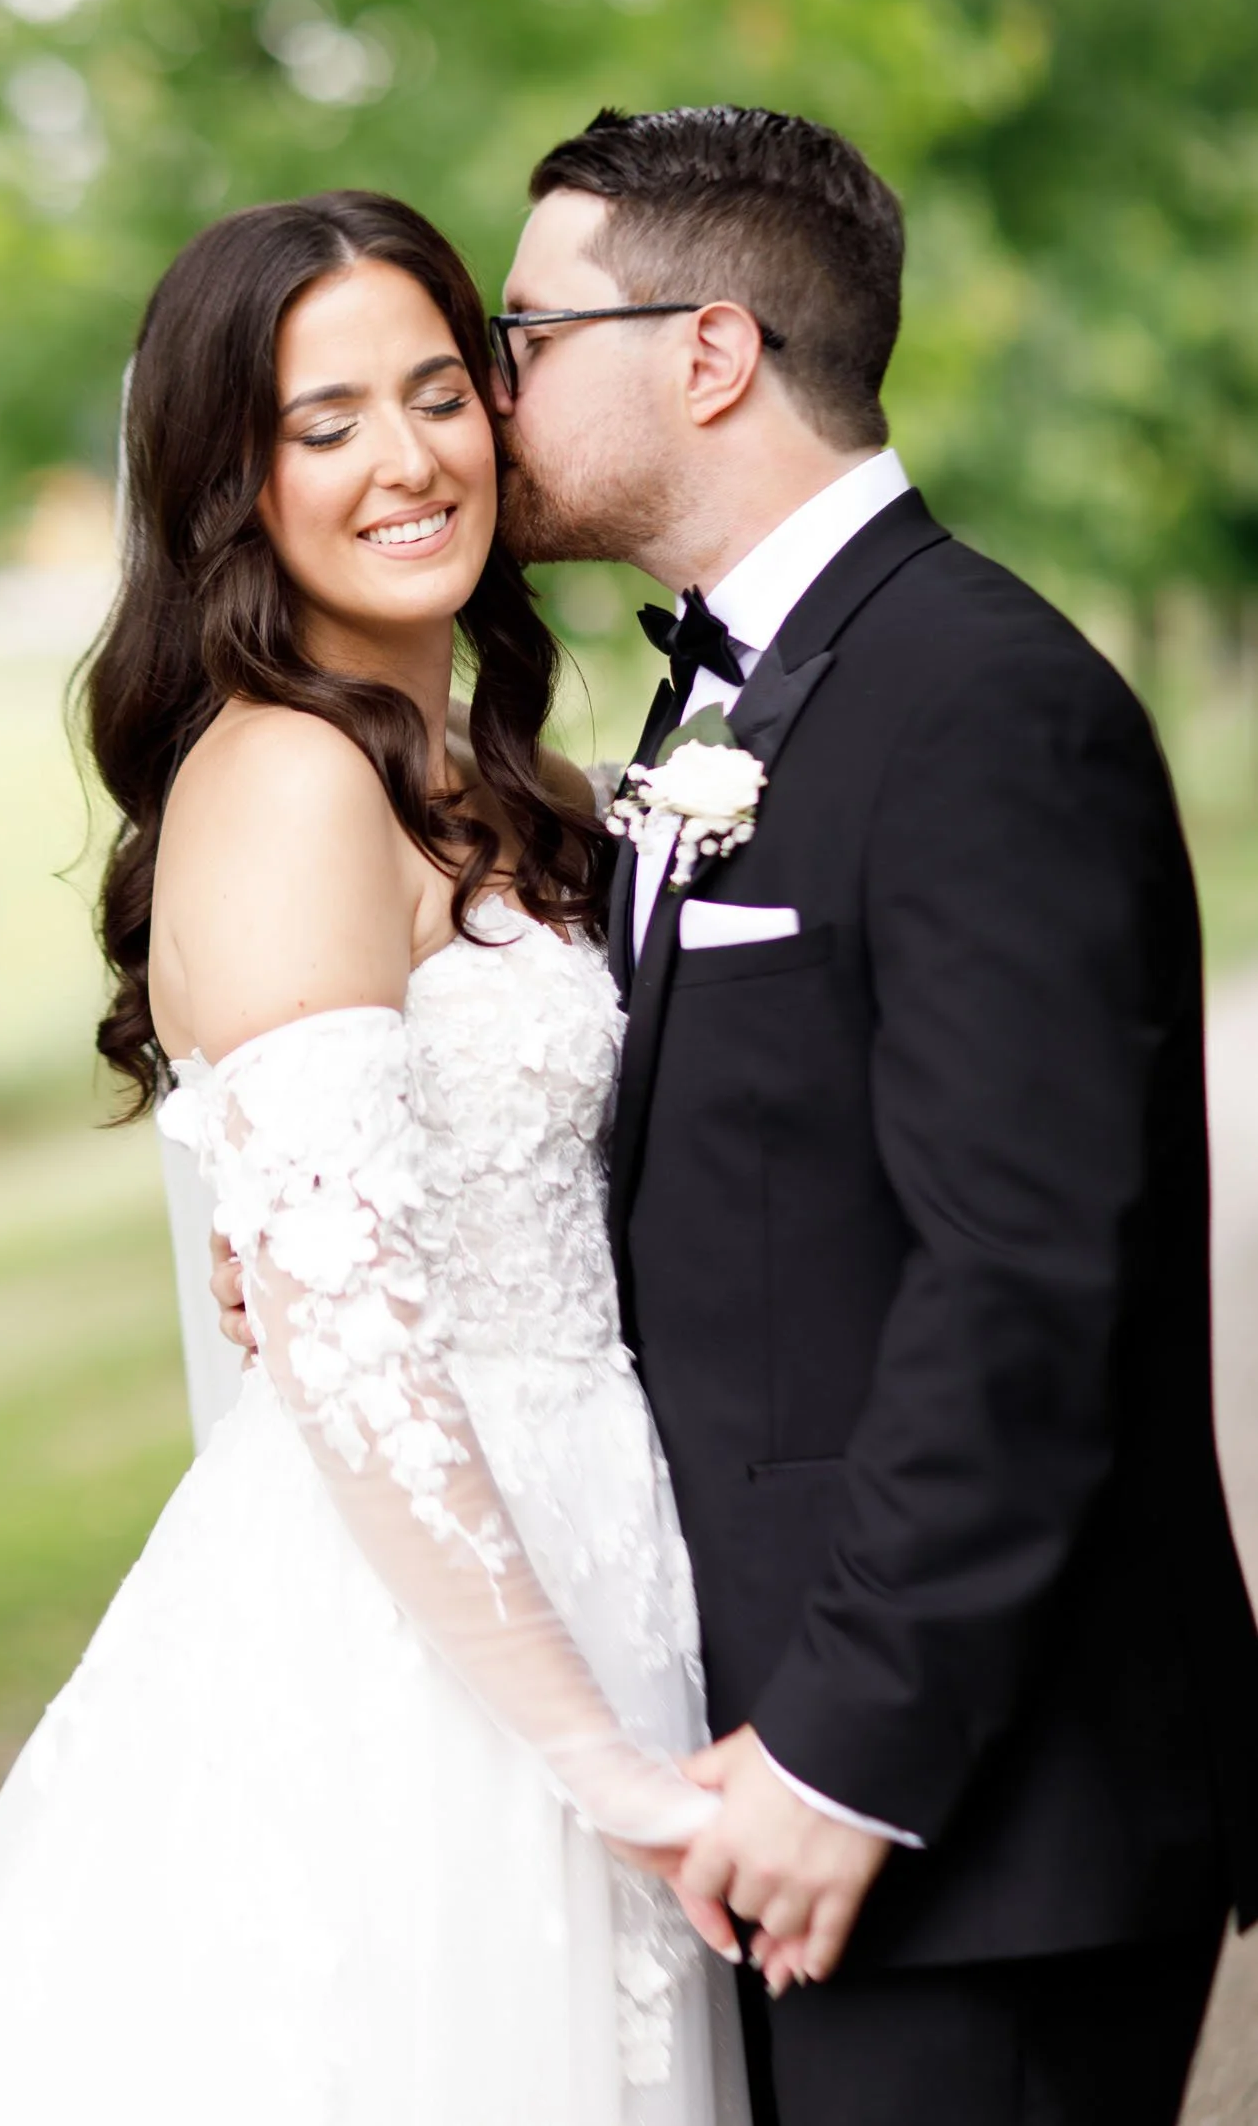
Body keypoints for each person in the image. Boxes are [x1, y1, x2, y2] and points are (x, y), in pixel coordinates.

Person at [214, 106, 1258, 2126]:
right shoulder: (728, 709)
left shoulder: (971, 702)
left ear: (703, 352)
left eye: (511, 339)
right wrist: (363, 1254)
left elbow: (1024, 1279)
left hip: (961, 1818)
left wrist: (844, 1754)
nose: (484, 400)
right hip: (759, 1775)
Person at [0, 189, 752, 2126]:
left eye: (436, 391)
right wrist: (589, 1757)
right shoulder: (286, 780)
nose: (406, 458)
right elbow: (347, 1340)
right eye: (321, 423)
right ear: (226, 483)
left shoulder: (493, 776)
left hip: (593, 1533)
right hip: (419, 1639)